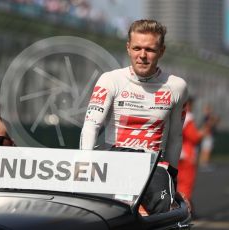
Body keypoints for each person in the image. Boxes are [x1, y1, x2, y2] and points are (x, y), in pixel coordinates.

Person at [80, 19, 188, 214]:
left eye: (150, 50)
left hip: (153, 164)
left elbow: (175, 137)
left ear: (161, 51)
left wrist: (172, 178)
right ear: (128, 48)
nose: (142, 56)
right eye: (137, 48)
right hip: (114, 158)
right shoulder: (110, 79)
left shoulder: (177, 86)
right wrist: (85, 164)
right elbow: (91, 125)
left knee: (165, 215)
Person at [177, 97, 210, 208]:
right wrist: (203, 132)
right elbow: (194, 137)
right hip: (187, 155)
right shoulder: (188, 117)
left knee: (175, 183)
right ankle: (184, 208)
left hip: (174, 153)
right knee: (185, 184)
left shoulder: (173, 115)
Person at [198, 104, 219, 170]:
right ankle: (204, 164)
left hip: (207, 135)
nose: (210, 111)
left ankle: (203, 163)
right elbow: (207, 126)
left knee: (205, 150)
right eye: (208, 109)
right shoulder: (207, 117)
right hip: (207, 135)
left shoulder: (208, 117)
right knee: (206, 150)